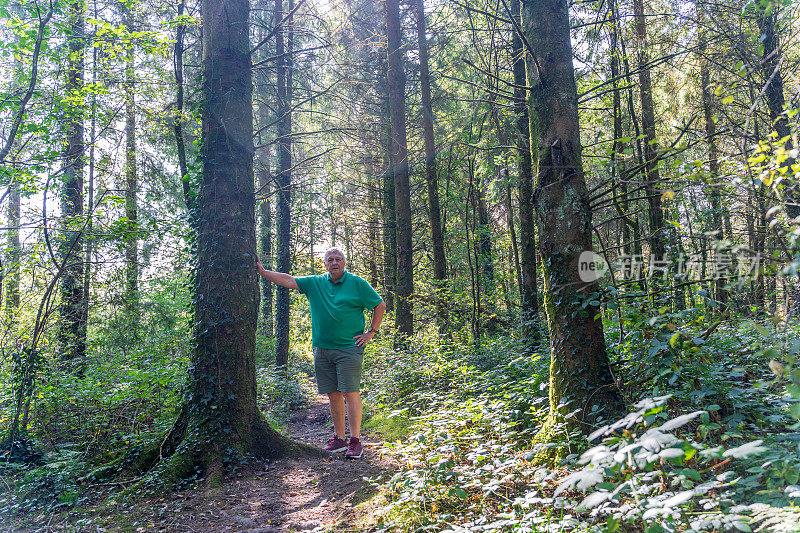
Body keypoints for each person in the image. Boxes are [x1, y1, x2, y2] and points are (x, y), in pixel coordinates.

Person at [256, 248, 386, 459]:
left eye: (338, 259)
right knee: (333, 394)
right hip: (322, 349)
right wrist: (264, 273)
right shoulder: (315, 283)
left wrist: (371, 332)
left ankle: (355, 441)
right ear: (325, 264)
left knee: (350, 392)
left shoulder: (357, 283)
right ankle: (339, 438)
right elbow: (288, 280)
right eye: (330, 260)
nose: (334, 262)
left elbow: (379, 305)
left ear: (344, 262)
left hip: (349, 348)